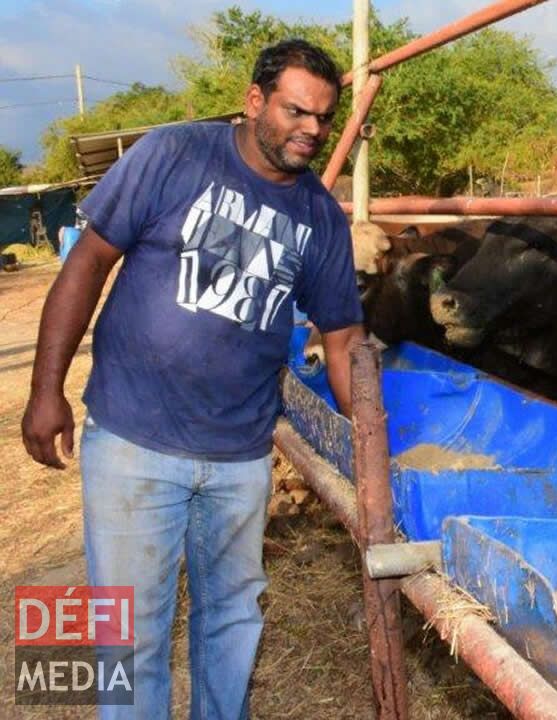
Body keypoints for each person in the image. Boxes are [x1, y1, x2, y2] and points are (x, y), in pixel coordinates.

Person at [21, 39, 363, 719]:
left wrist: (370, 444)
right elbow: (87, 262)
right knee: (128, 631)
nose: (313, 132)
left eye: (324, 119)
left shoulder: (319, 216)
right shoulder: (174, 154)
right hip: (132, 441)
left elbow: (344, 337)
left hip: (239, 456)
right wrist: (44, 389)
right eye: (298, 112)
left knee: (232, 621)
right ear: (255, 100)